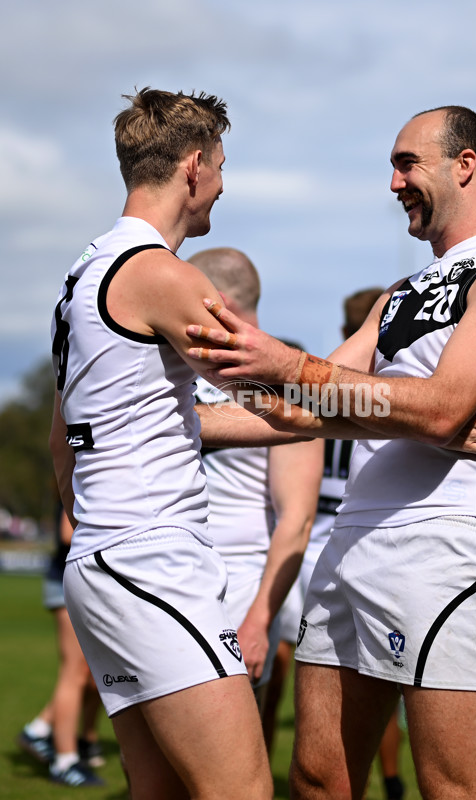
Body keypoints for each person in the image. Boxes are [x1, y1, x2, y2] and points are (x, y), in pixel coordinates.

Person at [186, 105, 476, 800]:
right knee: (317, 779)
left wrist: (297, 367)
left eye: (406, 163)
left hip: (445, 546)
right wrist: (182, 420)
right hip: (351, 546)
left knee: (455, 786)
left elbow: (446, 404)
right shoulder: (397, 297)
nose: (393, 183)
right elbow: (307, 410)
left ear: (465, 165)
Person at [49, 87, 273, 799]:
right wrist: (411, 408)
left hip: (106, 560)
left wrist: (102, 533)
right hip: (153, 561)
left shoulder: (81, 276)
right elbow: (285, 388)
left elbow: (63, 443)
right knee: (243, 791)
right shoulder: (161, 274)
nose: (224, 185)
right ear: (194, 166)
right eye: (223, 166)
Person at [264, 288, 407, 800]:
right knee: (378, 677)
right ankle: (390, 780)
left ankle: (257, 767)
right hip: (362, 531)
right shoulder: (393, 382)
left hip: (312, 535)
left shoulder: (323, 375)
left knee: (279, 666)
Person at [188, 247, 322, 707]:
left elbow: (297, 519)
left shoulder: (283, 376)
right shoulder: (183, 366)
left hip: (239, 592)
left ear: (215, 300)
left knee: (227, 763)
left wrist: (258, 621)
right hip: (170, 580)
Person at [17, 504, 105, 787]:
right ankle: (64, 761)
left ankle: (45, 730)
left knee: (91, 673)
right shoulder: (78, 471)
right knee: (75, 671)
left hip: (85, 582)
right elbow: (68, 534)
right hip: (68, 580)